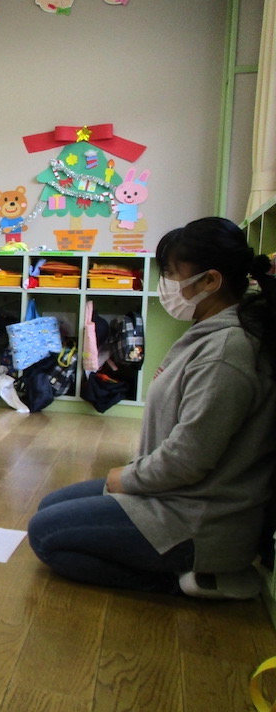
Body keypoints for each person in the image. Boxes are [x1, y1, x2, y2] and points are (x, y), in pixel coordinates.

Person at [28, 217, 276, 599]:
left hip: (197, 518)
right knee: (49, 507)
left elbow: (188, 458)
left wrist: (127, 479)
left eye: (173, 273)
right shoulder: (212, 331)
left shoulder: (226, 352)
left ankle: (197, 578)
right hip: (172, 494)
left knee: (47, 536)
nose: (165, 284)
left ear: (210, 281)